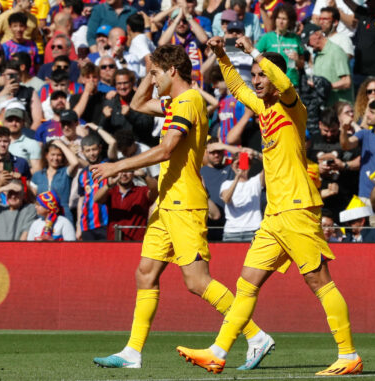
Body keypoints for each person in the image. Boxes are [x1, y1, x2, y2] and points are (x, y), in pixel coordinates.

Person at [175, 36, 361, 376]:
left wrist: (253, 51)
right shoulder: (262, 110)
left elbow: (285, 83)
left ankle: (349, 355)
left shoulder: (293, 105)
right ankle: (218, 352)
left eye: (262, 75)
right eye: (255, 74)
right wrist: (221, 54)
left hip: (297, 209)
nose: (257, 80)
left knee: (320, 281)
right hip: (274, 216)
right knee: (247, 283)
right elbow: (234, 86)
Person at [91, 44, 272, 371]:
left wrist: (117, 167)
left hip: (185, 202)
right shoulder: (177, 102)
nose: (154, 80)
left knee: (197, 281)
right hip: (165, 201)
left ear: (172, 71)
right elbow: (136, 103)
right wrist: (149, 71)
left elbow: (166, 149)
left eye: (158, 74)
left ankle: (256, 335)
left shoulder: (188, 102)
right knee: (145, 274)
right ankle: (132, 352)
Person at [30, 139, 80, 223]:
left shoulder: (65, 172)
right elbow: (32, 198)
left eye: (59, 155)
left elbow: (75, 163)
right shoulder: (37, 175)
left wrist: (61, 145)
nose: (55, 158)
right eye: (52, 154)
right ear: (46, 155)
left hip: (63, 216)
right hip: (42, 218)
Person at [255, 3, 304, 87]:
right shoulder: (267, 37)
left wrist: (297, 60)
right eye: (279, 18)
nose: (281, 22)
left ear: (290, 21)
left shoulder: (296, 38)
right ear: (275, 19)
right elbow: (254, 56)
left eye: (284, 19)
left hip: (292, 84)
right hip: (271, 84)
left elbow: (302, 64)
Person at [220, 154, 263, 242]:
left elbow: (269, 164)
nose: (242, 167)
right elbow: (226, 199)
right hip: (231, 232)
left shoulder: (255, 182)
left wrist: (255, 154)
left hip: (253, 229)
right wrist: (237, 177)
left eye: (245, 164)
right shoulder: (226, 184)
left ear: (250, 166)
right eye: (238, 164)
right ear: (233, 166)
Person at [76, 134, 108, 241]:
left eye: (94, 149)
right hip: (86, 224)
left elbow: (113, 143)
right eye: (88, 151)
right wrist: (78, 225)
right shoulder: (82, 174)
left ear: (100, 148)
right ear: (83, 152)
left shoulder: (109, 167)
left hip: (106, 222)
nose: (92, 154)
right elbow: (81, 199)